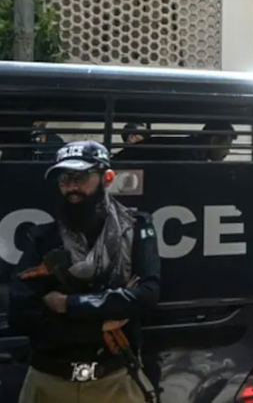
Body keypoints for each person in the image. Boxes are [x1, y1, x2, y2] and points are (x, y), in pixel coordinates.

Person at [9, 141, 160, 403]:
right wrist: (100, 324)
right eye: (64, 179)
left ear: (107, 178)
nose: (71, 187)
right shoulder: (43, 239)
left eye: (80, 177)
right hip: (49, 383)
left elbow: (146, 295)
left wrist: (68, 304)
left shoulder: (136, 228)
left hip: (114, 382)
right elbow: (21, 315)